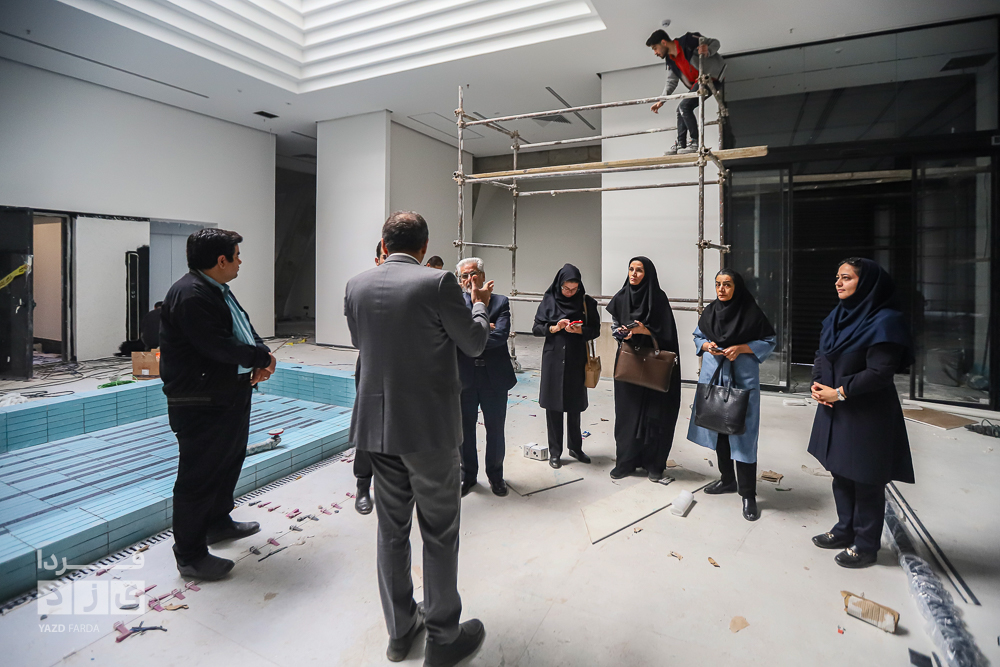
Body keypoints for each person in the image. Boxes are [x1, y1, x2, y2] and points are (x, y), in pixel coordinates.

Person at [345, 211, 490, 666]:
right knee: (440, 533)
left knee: (392, 533)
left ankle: (400, 630)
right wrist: (479, 305)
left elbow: (362, 343)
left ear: (384, 243)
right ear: (424, 247)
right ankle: (443, 638)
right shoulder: (437, 283)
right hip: (428, 430)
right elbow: (473, 343)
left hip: (378, 429)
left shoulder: (356, 285)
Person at [159, 229, 276, 580]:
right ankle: (190, 555)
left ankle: (217, 522)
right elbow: (218, 345)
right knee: (199, 476)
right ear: (221, 260)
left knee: (227, 462)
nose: (241, 261)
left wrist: (261, 354)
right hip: (201, 401)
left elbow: (243, 328)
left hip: (226, 394)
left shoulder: (216, 289)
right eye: (236, 256)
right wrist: (261, 357)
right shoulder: (191, 295)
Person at [807, 258, 914, 569]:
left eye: (847, 278)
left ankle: (866, 545)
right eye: (837, 277)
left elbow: (880, 373)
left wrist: (840, 392)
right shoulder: (836, 317)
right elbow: (821, 354)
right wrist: (818, 383)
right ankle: (845, 529)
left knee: (866, 478)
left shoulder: (886, 321)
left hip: (867, 411)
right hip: (834, 406)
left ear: (866, 283)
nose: (838, 283)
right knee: (840, 471)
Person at [687, 270, 776, 521]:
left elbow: (769, 340)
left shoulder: (750, 313)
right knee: (719, 430)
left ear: (737, 287)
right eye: (718, 284)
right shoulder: (710, 311)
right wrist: (708, 346)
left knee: (743, 436)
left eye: (727, 285)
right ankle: (727, 480)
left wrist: (742, 348)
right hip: (714, 378)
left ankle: (748, 494)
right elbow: (698, 336)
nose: (721, 289)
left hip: (741, 380)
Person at [606, 257, 681, 482]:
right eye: (631, 269)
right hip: (630, 363)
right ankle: (625, 462)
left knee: (655, 415)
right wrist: (623, 333)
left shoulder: (658, 298)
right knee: (627, 414)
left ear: (647, 274)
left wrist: (645, 331)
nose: (634, 274)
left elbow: (668, 333)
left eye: (639, 270)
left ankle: (654, 464)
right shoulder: (621, 297)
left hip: (654, 365)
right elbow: (614, 327)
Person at [456, 257, 517, 498]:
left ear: (482, 276)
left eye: (473, 274)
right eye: (464, 276)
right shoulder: (456, 304)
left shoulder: (500, 301)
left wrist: (472, 336)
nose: (469, 279)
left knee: (495, 429)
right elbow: (455, 337)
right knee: (464, 430)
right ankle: (468, 475)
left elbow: (500, 336)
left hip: (494, 377)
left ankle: (495, 475)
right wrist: (484, 329)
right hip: (465, 377)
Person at [532, 264, 600, 469]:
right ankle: (555, 452)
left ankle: (575, 447)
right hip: (553, 359)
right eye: (566, 289)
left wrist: (580, 331)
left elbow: (595, 329)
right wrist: (555, 327)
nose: (570, 293)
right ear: (559, 284)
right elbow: (536, 328)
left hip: (576, 358)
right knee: (553, 406)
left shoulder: (586, 302)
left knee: (575, 405)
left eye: (574, 289)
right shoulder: (549, 300)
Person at [647, 28, 725, 155]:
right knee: (680, 109)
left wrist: (708, 50)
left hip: (711, 78)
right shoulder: (670, 60)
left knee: (684, 106)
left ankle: (695, 142)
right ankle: (681, 144)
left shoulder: (688, 41)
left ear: (663, 42)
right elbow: (671, 82)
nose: (655, 52)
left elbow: (715, 42)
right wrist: (662, 100)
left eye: (655, 48)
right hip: (698, 82)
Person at [352, 241, 388, 515]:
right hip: (371, 364)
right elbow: (357, 335)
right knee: (368, 425)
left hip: (406, 368)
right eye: (385, 257)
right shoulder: (362, 287)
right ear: (377, 260)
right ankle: (363, 485)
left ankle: (397, 483)